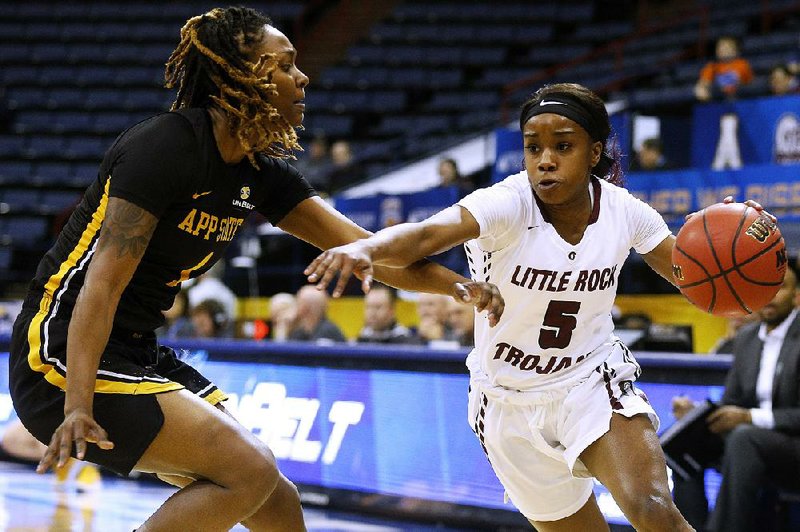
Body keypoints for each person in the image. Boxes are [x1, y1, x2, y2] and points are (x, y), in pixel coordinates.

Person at [8, 7, 502, 531]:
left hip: (133, 350)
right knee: (249, 469)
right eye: (285, 64)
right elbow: (100, 287)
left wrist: (465, 289)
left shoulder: (261, 175)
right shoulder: (166, 146)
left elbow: (373, 252)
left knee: (272, 494)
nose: (302, 76)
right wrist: (77, 405)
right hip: (61, 354)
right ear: (234, 77)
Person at [305, 82, 715, 530]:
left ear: (595, 152)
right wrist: (369, 248)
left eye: (563, 146)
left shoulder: (626, 212)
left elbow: (696, 280)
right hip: (507, 401)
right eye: (532, 147)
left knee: (654, 509)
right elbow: (423, 236)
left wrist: (728, 248)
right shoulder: (505, 202)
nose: (545, 159)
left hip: (590, 381)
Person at [671, 266, 800, 532]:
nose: (771, 295)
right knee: (685, 439)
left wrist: (750, 417)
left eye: (781, 287)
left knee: (743, 437)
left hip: (791, 446)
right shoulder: (746, 338)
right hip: (752, 443)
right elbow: (732, 402)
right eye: (765, 288)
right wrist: (696, 416)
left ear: (797, 296)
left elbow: (748, 416)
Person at [694, 36, 753, 102]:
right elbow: (704, 82)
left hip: (740, 97)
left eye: (727, 48)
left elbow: (749, 83)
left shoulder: (742, 64)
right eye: (721, 48)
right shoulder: (712, 66)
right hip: (718, 98)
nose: (724, 51)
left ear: (736, 51)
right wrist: (701, 88)